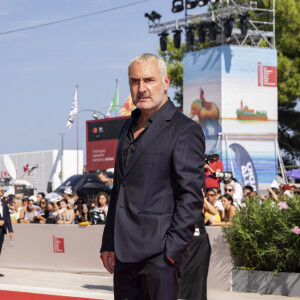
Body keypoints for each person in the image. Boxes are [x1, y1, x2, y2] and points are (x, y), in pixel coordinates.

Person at [100, 53, 205, 300]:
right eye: (135, 81)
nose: (141, 88)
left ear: (165, 81)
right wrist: (108, 242)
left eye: (149, 80)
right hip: (123, 255)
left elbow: (190, 197)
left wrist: (171, 253)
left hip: (159, 257)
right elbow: (119, 190)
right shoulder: (127, 127)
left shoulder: (185, 129)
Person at [179, 198, 216, 300]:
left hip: (202, 242)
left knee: (200, 273)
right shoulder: (184, 202)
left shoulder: (202, 203)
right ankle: (183, 296)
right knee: (185, 271)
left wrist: (203, 199)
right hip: (188, 242)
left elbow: (214, 212)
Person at [0, 187, 14, 276]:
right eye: (1, 191)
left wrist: (11, 230)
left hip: (2, 230)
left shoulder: (4, 203)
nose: (2, 192)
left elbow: (7, 218)